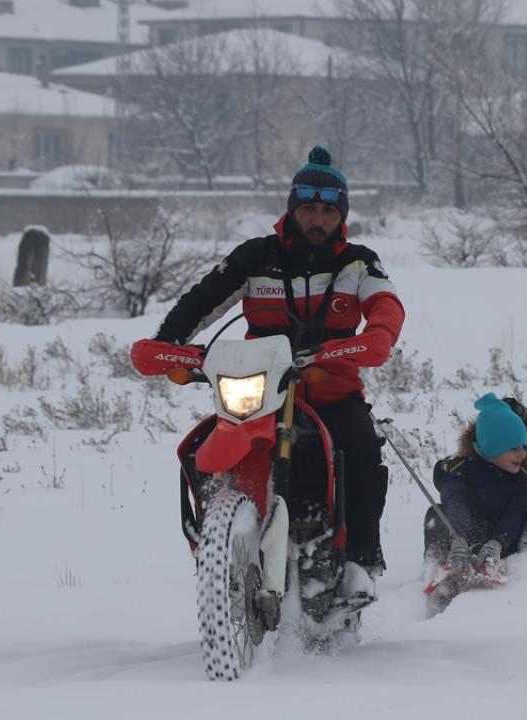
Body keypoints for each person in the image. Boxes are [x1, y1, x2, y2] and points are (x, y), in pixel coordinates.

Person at [147, 146, 404, 598]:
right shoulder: (255, 257)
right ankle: (215, 540)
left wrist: (378, 334)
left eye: (328, 210)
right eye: (308, 208)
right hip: (259, 389)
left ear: (341, 215)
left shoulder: (358, 262)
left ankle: (361, 562)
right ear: (292, 209)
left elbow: (386, 304)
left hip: (331, 390)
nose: (317, 219)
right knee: (204, 445)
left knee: (361, 447)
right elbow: (202, 301)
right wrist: (168, 342)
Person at [425, 393, 527, 573]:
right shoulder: (461, 468)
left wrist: (498, 541)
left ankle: (510, 567)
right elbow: (455, 498)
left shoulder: (523, 479)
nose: (522, 454)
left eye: (524, 447)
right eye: (513, 448)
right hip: (462, 535)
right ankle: (438, 566)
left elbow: (517, 512)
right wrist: (458, 537)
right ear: (492, 447)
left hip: (501, 541)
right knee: (435, 514)